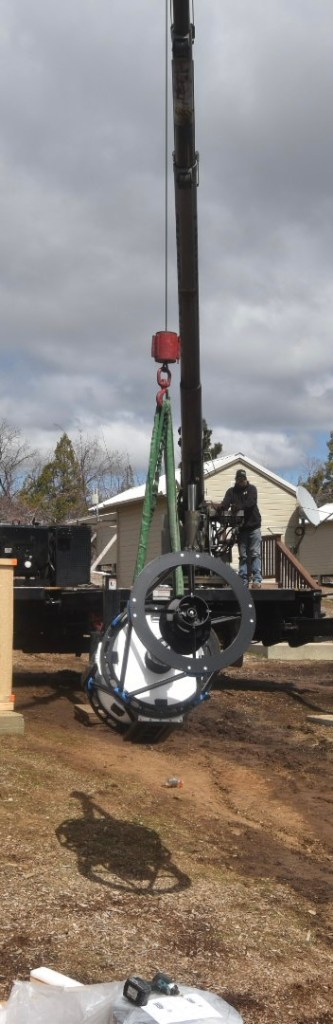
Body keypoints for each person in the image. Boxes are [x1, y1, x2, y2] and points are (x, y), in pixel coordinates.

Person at [216, 468, 262, 587]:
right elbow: (226, 503)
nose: (241, 481)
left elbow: (251, 503)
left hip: (254, 527)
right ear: (236, 480)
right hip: (241, 529)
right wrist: (220, 507)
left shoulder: (252, 489)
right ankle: (243, 580)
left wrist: (239, 507)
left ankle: (257, 580)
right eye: (239, 479)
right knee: (243, 556)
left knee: (255, 554)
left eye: (243, 479)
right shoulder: (231, 492)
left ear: (246, 479)